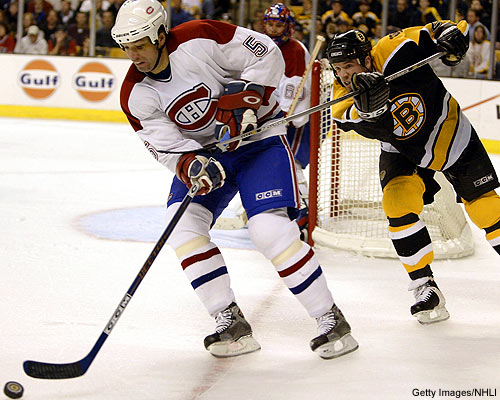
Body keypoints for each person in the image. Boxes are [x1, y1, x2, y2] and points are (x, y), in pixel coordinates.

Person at [111, 0, 358, 359]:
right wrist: (190, 164)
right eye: (127, 48)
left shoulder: (199, 37)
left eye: (140, 45)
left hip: (259, 142)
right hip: (209, 155)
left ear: (160, 36)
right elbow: (167, 147)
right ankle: (229, 321)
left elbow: (265, 52)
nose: (134, 56)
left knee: (268, 230)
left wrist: (249, 102)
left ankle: (329, 318)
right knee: (181, 225)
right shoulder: (135, 94)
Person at [325, 25, 500, 324]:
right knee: (397, 204)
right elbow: (347, 116)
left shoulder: (393, 48)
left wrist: (451, 37)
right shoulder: (343, 95)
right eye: (338, 68)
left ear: (367, 59)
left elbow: (442, 28)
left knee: (486, 209)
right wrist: (367, 111)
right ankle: (424, 286)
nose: (343, 75)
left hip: (449, 131)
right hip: (402, 151)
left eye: (348, 66)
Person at [263, 3, 311, 234]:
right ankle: (279, 206)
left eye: (278, 24)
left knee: (292, 162)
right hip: (278, 118)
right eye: (269, 24)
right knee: (272, 162)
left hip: (300, 119)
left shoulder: (295, 50)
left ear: (288, 26)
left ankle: (305, 209)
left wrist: (283, 116)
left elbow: (295, 90)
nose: (273, 29)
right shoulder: (265, 47)